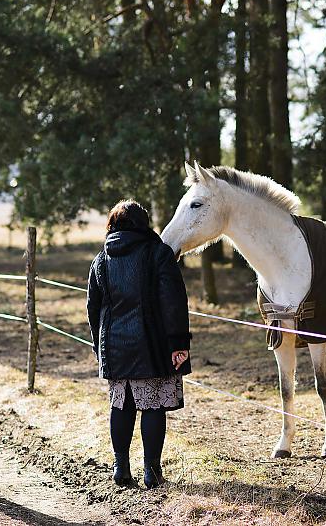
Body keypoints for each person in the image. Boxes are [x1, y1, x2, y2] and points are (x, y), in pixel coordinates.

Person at [87, 200, 192, 489]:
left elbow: (92, 308)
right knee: (153, 406)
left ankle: (120, 468)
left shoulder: (100, 259)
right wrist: (179, 343)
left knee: (121, 406)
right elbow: (174, 302)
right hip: (152, 345)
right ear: (143, 223)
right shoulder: (158, 253)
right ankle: (151, 472)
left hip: (115, 347)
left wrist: (100, 347)